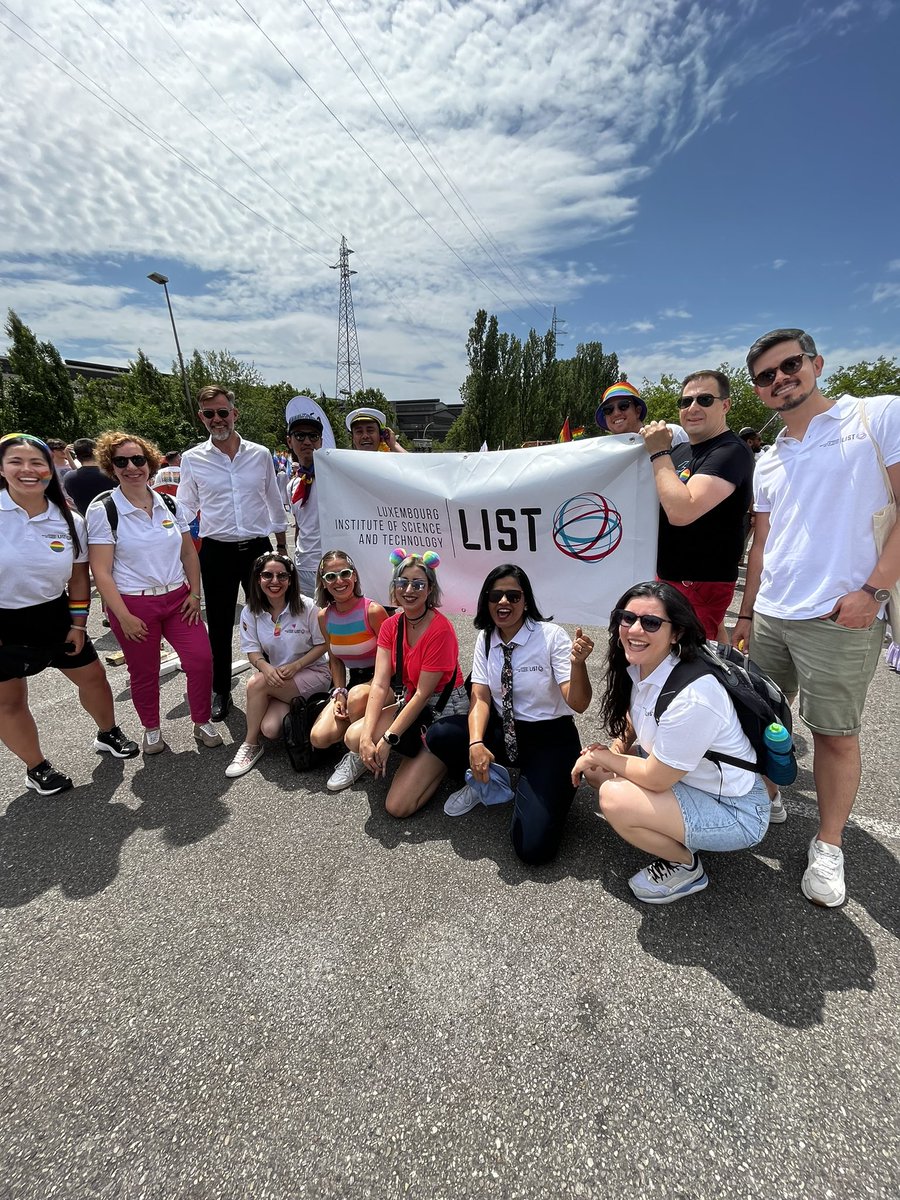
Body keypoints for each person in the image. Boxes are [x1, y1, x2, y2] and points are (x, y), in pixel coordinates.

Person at [732, 327, 900, 908]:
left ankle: (828, 846)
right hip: (772, 613)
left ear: (816, 362)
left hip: (840, 614)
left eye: (789, 365)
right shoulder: (770, 458)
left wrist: (873, 592)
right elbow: (762, 544)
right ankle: (771, 794)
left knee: (833, 735)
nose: (780, 379)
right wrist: (747, 612)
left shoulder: (876, 416)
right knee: (762, 720)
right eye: (766, 376)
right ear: (758, 391)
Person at [573, 581, 770, 904]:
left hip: (739, 812)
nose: (635, 629)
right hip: (696, 783)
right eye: (627, 618)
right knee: (598, 771)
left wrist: (603, 756)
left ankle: (686, 866)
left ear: (676, 633)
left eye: (651, 623)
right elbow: (637, 719)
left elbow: (655, 777)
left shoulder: (693, 696)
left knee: (612, 795)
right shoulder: (648, 667)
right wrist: (614, 750)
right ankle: (679, 828)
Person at [426, 564, 594, 865]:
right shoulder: (485, 638)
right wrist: (476, 744)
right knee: (440, 735)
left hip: (550, 738)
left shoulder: (551, 636)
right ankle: (485, 781)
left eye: (513, 596)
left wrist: (578, 664)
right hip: (505, 731)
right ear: (486, 601)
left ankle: (545, 790)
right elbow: (479, 695)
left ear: (525, 601)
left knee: (533, 849)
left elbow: (578, 703)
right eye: (496, 596)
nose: (503, 602)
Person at [0, 433, 138, 794]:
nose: (27, 470)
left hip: (53, 615)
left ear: (50, 469)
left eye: (37, 463)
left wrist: (78, 624)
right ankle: (36, 767)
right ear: (2, 468)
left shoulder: (69, 519)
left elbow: (79, 578)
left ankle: (108, 733)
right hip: (3, 622)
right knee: (10, 702)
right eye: (16, 462)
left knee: (94, 678)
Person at [86, 432, 221, 755]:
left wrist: (195, 595)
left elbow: (189, 553)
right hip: (133, 603)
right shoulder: (104, 509)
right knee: (144, 672)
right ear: (111, 467)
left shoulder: (169, 503)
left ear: (150, 462)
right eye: (122, 461)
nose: (132, 467)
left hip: (178, 599)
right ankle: (151, 728)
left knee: (201, 660)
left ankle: (201, 720)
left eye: (138, 459)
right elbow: (101, 571)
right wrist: (122, 615)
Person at [176, 385, 289, 721]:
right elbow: (184, 506)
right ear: (201, 417)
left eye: (222, 412)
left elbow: (273, 500)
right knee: (222, 623)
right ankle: (221, 690)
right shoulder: (193, 459)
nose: (217, 419)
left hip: (257, 549)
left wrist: (282, 547)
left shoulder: (260, 454)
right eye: (209, 414)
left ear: (235, 414)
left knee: (274, 617)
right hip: (217, 550)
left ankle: (281, 684)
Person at [343, 550, 465, 815]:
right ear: (395, 586)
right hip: (413, 704)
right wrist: (367, 737)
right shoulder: (391, 625)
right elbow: (379, 683)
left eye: (418, 584)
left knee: (397, 807)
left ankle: (440, 758)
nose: (409, 590)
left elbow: (423, 694)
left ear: (430, 588)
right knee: (353, 737)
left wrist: (387, 739)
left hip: (443, 712)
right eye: (403, 582)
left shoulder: (440, 630)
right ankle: (402, 751)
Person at [641, 370, 754, 640]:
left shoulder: (730, 451)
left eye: (704, 400)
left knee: (687, 665)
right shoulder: (680, 452)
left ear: (725, 405)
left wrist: (658, 452)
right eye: (685, 402)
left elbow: (682, 511)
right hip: (668, 576)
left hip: (702, 582)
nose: (692, 408)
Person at [225, 553, 330, 778]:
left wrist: (297, 665)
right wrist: (266, 667)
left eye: (282, 576)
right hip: (278, 677)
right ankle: (306, 712)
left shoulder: (308, 607)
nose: (275, 581)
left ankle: (250, 744)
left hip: (313, 672)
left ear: (291, 580)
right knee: (271, 729)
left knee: (256, 684)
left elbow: (324, 645)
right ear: (257, 579)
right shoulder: (250, 611)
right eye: (267, 575)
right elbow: (252, 651)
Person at [308, 550, 388, 791]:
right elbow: (336, 660)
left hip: (386, 681)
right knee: (318, 738)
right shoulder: (324, 617)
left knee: (356, 697)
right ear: (323, 582)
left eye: (344, 573)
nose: (339, 581)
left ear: (354, 576)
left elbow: (394, 659)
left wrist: (362, 691)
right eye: (331, 576)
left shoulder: (372, 611)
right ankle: (356, 731)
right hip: (354, 684)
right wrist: (340, 691)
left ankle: (358, 754)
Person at [595, 381, 688, 445]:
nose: (616, 413)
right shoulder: (601, 452)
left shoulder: (670, 433)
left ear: (638, 411)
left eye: (623, 406)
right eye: (608, 410)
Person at [64, 438, 111, 515]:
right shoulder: (110, 474)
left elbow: (78, 472)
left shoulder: (69, 478)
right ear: (96, 453)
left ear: (77, 457)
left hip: (86, 520)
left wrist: (67, 454)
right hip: (112, 519)